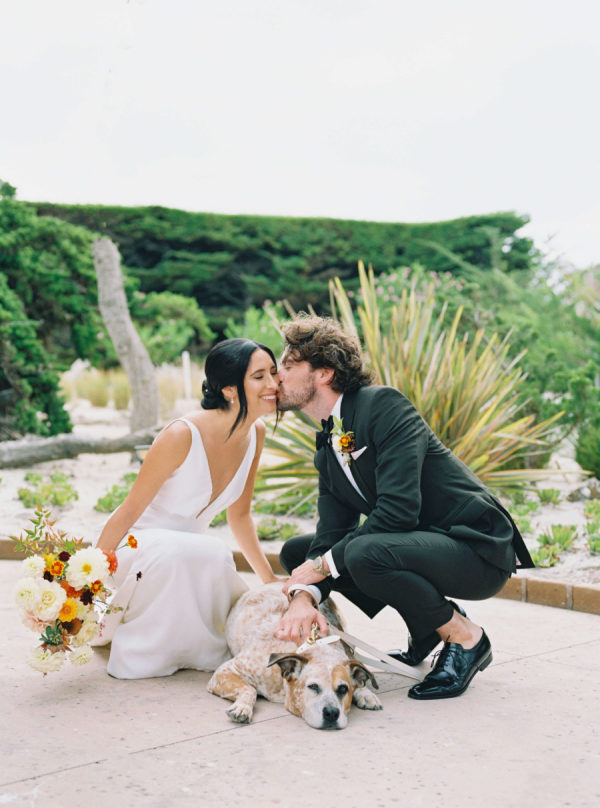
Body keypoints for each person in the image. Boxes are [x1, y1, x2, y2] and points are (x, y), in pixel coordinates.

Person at [274, 315, 534, 700]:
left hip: (474, 549)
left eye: (288, 365)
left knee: (360, 553)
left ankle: (466, 638)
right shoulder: (329, 442)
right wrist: (303, 594)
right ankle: (427, 626)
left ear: (324, 373)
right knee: (299, 550)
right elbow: (332, 531)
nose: (278, 375)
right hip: (421, 546)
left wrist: (318, 568)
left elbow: (398, 511)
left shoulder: (384, 406)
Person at [95, 338, 281, 679]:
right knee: (208, 551)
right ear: (229, 389)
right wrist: (86, 581)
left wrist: (268, 579)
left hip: (189, 557)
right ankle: (142, 649)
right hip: (136, 548)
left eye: (273, 372)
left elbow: (239, 515)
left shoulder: (256, 432)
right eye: (259, 376)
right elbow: (128, 510)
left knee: (206, 553)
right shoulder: (182, 434)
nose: (273, 384)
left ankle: (192, 650)